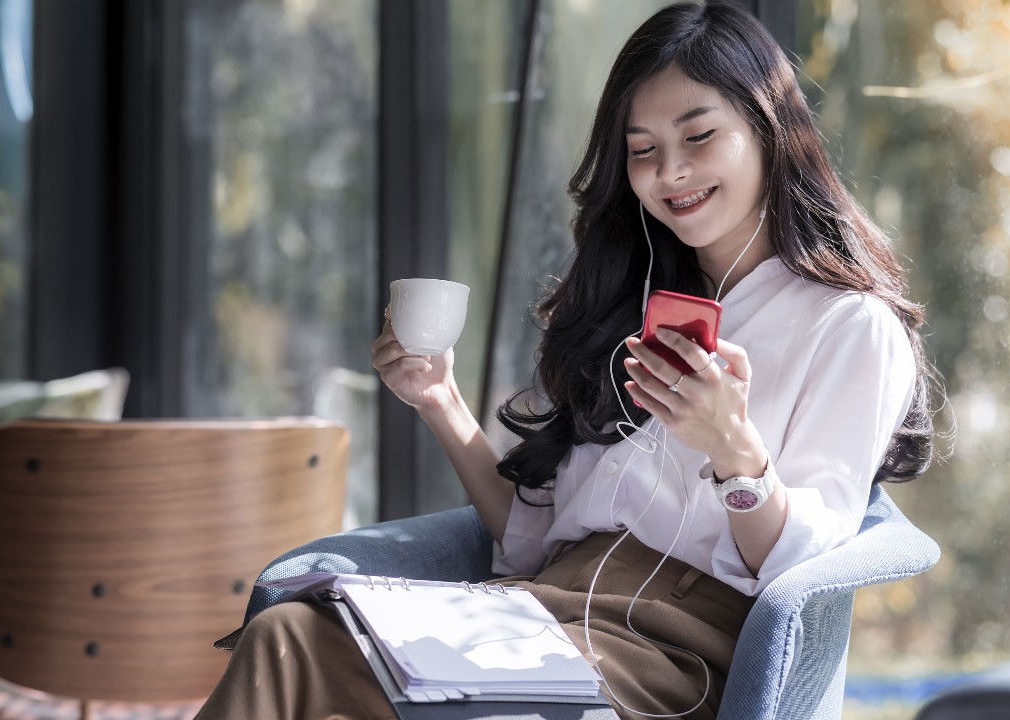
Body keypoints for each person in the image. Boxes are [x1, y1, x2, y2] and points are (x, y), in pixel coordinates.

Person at [196, 1, 937, 718]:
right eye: (643, 150)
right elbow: (529, 536)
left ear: (768, 129)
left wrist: (735, 453)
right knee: (288, 636)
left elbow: (803, 572)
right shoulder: (635, 303)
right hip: (536, 615)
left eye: (699, 136)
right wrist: (440, 400)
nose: (670, 171)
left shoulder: (849, 327)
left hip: (666, 657)